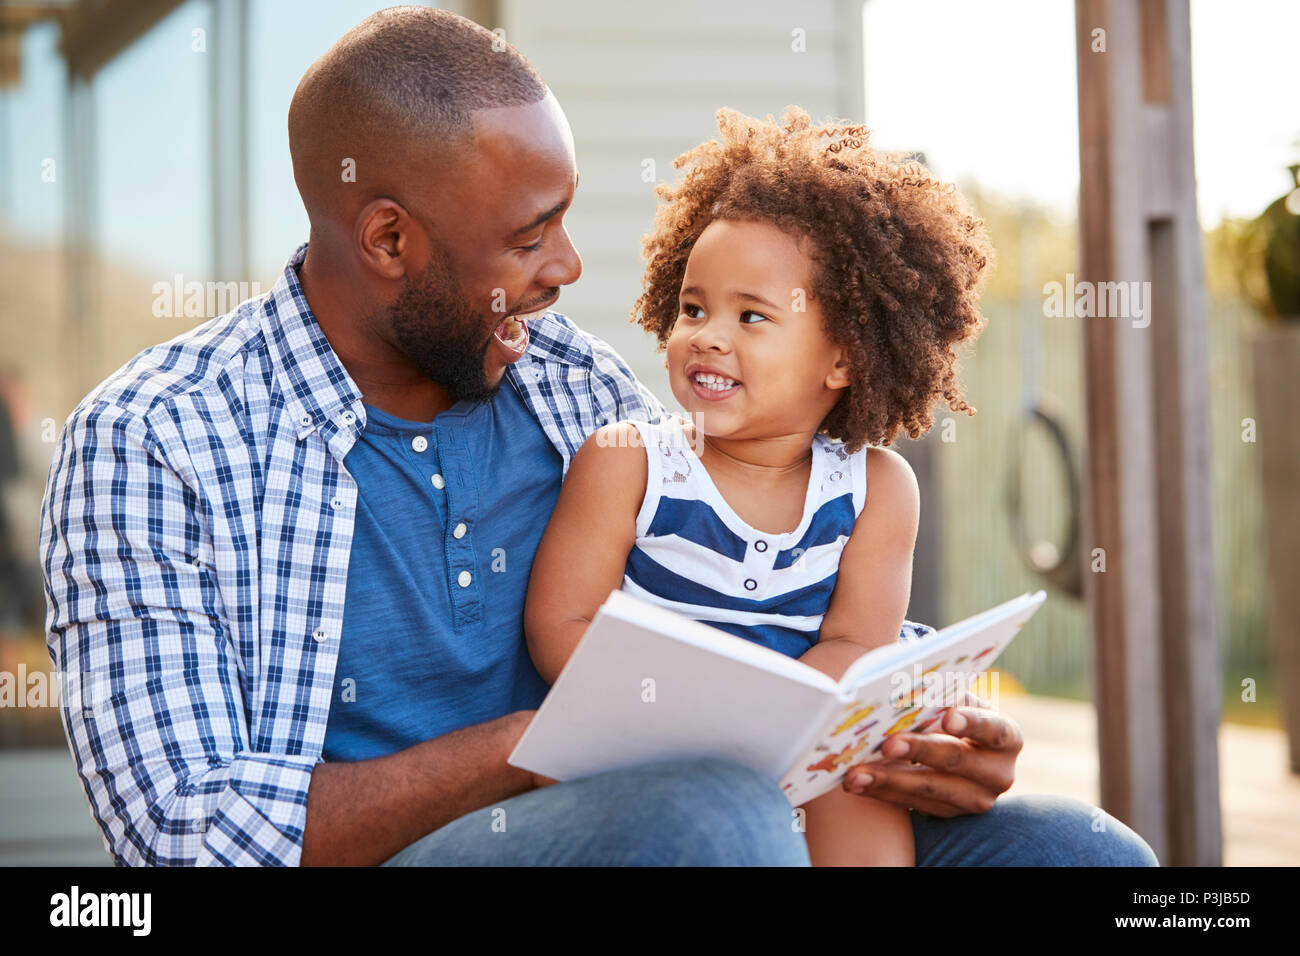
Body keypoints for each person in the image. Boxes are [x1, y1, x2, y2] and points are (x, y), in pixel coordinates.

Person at [38, 6, 1157, 867]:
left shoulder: (572, 384)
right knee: (710, 817)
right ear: (388, 237)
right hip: (446, 848)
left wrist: (916, 720)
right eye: (530, 237)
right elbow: (183, 832)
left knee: (1081, 852)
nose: (570, 269)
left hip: (683, 813)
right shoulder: (156, 441)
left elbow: (748, 586)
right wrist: (534, 746)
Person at [524, 106, 996, 866]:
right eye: (693, 308)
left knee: (856, 782)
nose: (709, 335)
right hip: (646, 740)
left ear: (841, 360)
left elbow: (854, 644)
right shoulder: (627, 461)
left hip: (797, 736)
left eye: (751, 316)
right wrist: (696, 714)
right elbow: (562, 626)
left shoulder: (876, 489)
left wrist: (771, 717)